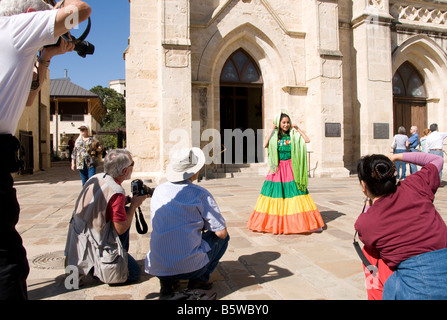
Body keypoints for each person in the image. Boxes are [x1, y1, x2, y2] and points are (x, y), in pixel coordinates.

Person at [0, 0, 91, 300]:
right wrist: (57, 8)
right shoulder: (14, 27)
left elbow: (27, 100)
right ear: (31, 16)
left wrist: (47, 57)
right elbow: (81, 9)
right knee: (7, 264)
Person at [355, 152, 447, 299]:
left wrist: (368, 204)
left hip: (419, 288)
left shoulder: (365, 223)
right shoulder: (416, 184)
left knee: (370, 252)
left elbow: (369, 233)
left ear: (364, 185)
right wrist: (397, 157)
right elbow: (437, 160)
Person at [145, 147, 229, 295]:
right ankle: (200, 279)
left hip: (158, 266)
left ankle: (167, 283)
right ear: (194, 171)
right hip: (191, 267)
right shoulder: (200, 194)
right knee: (221, 237)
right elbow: (221, 233)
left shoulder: (159, 190)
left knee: (168, 238)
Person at [65, 149, 148, 285]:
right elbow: (120, 229)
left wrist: (127, 200)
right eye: (132, 164)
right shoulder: (116, 191)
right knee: (134, 273)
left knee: (124, 210)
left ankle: (117, 257)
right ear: (125, 171)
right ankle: (103, 268)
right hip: (94, 246)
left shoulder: (96, 178)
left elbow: (102, 203)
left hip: (78, 243)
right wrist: (134, 205)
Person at [247, 111, 325, 234]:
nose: (286, 125)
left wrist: (298, 128)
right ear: (279, 123)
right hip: (277, 168)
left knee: (294, 193)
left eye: (288, 122)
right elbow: (265, 144)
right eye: (283, 122)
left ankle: (298, 222)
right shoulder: (275, 137)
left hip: (291, 168)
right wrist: (272, 129)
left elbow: (307, 140)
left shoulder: (293, 135)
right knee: (276, 194)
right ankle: (276, 222)